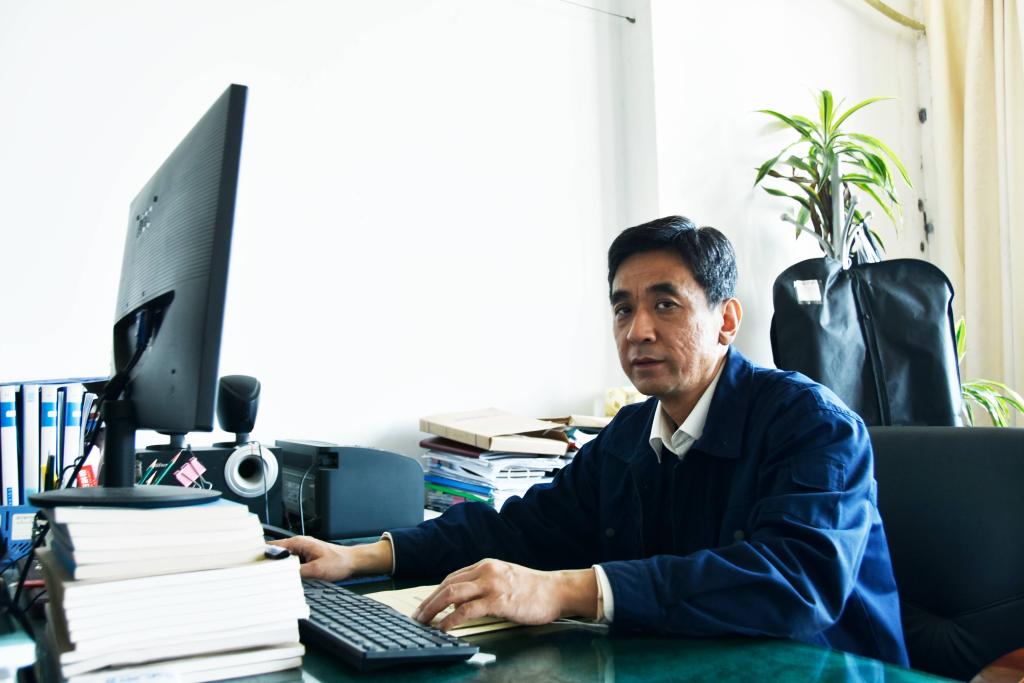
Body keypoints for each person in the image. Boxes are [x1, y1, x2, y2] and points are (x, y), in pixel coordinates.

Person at [273, 216, 909, 665]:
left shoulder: (812, 425)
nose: (637, 331)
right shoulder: (629, 434)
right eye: (623, 308)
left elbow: (796, 584)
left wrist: (566, 590)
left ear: (726, 320)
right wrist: (363, 558)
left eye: (665, 305)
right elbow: (521, 530)